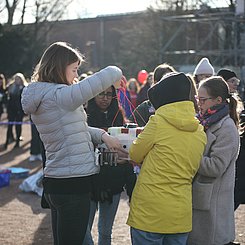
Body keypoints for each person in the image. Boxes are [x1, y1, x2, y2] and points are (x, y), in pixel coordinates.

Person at [21, 41, 127, 245]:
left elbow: (73, 129)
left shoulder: (46, 96)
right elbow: (109, 73)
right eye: (74, 69)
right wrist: (115, 75)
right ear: (60, 68)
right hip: (72, 183)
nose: (76, 75)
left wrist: (103, 136)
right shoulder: (61, 95)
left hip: (56, 181)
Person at [127, 72, 207, 245]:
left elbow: (134, 153)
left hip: (149, 211)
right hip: (180, 213)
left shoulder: (157, 122)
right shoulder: (199, 131)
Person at [188, 76, 240, 245]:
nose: (199, 104)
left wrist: (187, 156)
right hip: (200, 203)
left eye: (203, 100)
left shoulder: (227, 128)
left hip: (213, 212)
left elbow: (215, 167)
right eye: (198, 99)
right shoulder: (204, 121)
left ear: (218, 100)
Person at [83, 85, 137, 245]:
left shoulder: (119, 116)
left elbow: (125, 149)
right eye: (101, 94)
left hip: (113, 181)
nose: (105, 98)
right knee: (84, 230)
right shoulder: (84, 117)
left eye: (109, 95)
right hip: (90, 181)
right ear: (93, 95)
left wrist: (124, 156)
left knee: (106, 231)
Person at [4, 72, 28, 149]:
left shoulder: (24, 88)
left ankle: (17, 141)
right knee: (10, 126)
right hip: (11, 109)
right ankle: (7, 141)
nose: (17, 80)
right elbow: (6, 96)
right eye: (16, 79)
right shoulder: (11, 87)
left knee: (18, 126)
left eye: (19, 79)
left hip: (19, 110)